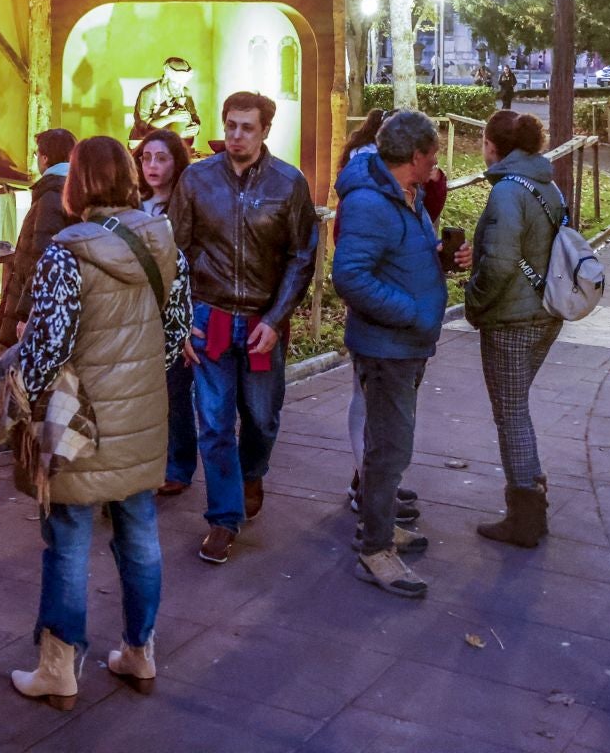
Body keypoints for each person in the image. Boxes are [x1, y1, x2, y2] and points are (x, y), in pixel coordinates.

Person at [6, 136, 192, 711]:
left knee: (67, 537)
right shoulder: (163, 241)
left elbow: (47, 348)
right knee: (139, 532)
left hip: (77, 417)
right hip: (140, 413)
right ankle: (139, 651)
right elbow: (177, 328)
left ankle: (58, 668)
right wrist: (135, 381)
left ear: (78, 182)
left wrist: (20, 396)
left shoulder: (67, 251)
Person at [169, 92, 317, 565]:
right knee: (213, 423)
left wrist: (276, 319)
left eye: (246, 128)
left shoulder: (289, 184)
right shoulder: (196, 179)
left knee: (261, 416)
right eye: (231, 126)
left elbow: (302, 256)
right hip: (208, 316)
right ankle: (222, 519)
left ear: (265, 131)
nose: (235, 135)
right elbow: (175, 251)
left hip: (261, 320)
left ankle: (252, 471)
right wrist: (181, 318)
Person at [332, 110, 467, 599]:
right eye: (433, 156)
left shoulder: (403, 195)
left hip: (404, 344)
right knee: (390, 448)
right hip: (387, 345)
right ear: (416, 156)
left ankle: (382, 527)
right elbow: (349, 276)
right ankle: (375, 550)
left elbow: (399, 258)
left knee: (388, 446)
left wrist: (442, 260)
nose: (437, 165)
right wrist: (411, 311)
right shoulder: (372, 202)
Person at [464, 111, 566, 548]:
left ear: (492, 145)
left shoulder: (507, 191)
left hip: (510, 318)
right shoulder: (547, 184)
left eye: (484, 140)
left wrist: (475, 301)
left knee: (511, 413)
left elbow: (504, 263)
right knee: (517, 406)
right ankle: (533, 497)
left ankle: (524, 517)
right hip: (547, 311)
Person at [134, 130, 195, 495]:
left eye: (162, 158)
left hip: (174, 314)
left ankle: (178, 465)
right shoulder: (130, 205)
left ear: (177, 162)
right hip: (136, 311)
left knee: (174, 393)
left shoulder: (187, 206)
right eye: (146, 158)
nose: (152, 166)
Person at [0, 129, 78, 347]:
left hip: (36, 303)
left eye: (35, 154)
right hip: (45, 298)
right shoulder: (70, 188)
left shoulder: (52, 194)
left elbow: (43, 256)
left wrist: (25, 314)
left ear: (45, 158)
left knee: (19, 369)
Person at [131, 57, 202, 142]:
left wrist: (196, 127)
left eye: (182, 84)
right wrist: (171, 118)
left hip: (168, 142)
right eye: (175, 83)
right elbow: (144, 128)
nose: (179, 88)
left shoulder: (185, 92)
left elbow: (194, 116)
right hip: (144, 142)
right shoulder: (149, 93)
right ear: (166, 79)